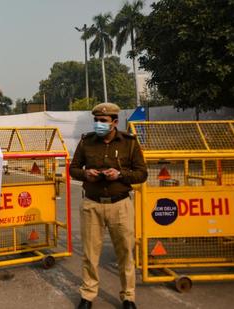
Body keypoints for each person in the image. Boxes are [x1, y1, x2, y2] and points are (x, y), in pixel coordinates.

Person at [69, 102, 147, 309]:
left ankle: (128, 297)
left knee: (124, 253)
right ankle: (88, 295)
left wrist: (120, 174)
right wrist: (85, 173)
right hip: (91, 205)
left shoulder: (129, 143)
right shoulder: (86, 142)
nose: (98, 124)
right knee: (90, 254)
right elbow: (73, 168)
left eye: (102, 121)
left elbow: (142, 173)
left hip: (120, 205)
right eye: (96, 120)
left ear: (114, 122)